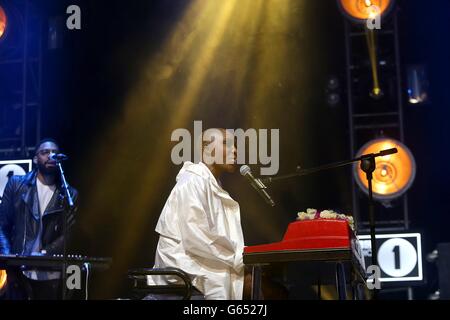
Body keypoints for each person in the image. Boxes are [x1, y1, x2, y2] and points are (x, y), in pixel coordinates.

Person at [148, 128, 245, 300]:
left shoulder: (213, 185)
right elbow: (197, 238)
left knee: (264, 283)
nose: (235, 150)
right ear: (205, 149)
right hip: (184, 270)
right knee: (259, 287)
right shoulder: (192, 182)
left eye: (235, 145)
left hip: (202, 262)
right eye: (226, 143)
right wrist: (239, 258)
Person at [0, 138, 77, 300]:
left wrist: (46, 253)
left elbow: (70, 232)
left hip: (51, 275)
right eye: (45, 152)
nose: (51, 156)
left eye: (55, 153)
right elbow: (2, 225)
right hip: (19, 271)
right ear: (36, 159)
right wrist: (9, 261)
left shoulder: (69, 194)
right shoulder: (16, 185)